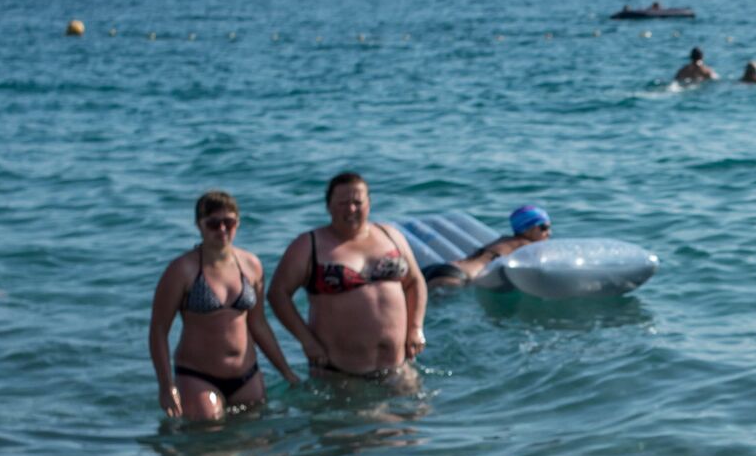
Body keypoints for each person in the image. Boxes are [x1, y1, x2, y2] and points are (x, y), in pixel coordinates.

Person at [148, 190, 302, 421]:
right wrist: (166, 385)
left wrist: (286, 371)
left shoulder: (251, 265)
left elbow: (258, 324)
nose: (222, 229)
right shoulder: (182, 271)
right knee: (209, 443)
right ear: (199, 225)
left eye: (228, 222)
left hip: (247, 375)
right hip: (198, 377)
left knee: (258, 447)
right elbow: (159, 330)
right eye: (213, 223)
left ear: (237, 223)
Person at [269, 172, 426, 380]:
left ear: (369, 203)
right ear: (329, 206)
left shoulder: (391, 236)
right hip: (340, 374)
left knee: (419, 413)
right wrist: (307, 341)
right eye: (343, 203)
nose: (351, 209)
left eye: (357, 202)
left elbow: (415, 281)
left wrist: (416, 328)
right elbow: (278, 294)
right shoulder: (309, 245)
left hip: (398, 366)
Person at [421, 205, 552, 290]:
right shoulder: (526, 246)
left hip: (441, 268)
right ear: (528, 229)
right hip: (457, 277)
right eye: (543, 228)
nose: (549, 233)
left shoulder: (504, 240)